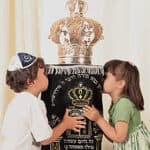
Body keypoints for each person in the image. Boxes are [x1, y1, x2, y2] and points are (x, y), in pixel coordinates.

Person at [0, 52, 85, 150]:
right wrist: (65, 124)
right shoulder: (33, 103)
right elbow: (45, 139)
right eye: (44, 73)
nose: (47, 76)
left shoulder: (16, 101)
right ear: (30, 81)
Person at [83, 59, 150, 149]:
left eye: (105, 76)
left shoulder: (123, 104)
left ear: (120, 83)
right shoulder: (118, 103)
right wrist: (99, 123)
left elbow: (119, 137)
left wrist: (98, 119)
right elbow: (113, 137)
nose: (100, 79)